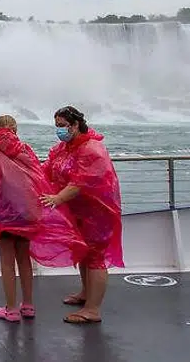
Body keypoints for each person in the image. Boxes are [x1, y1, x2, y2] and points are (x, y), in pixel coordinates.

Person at [0, 115, 88, 322]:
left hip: (0, 212)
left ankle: (11, 310)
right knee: (24, 259)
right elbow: (37, 177)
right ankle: (29, 306)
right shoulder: (25, 149)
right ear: (15, 130)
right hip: (25, 212)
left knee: (7, 262)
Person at [41, 105, 123, 325]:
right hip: (78, 212)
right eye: (57, 126)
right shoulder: (63, 148)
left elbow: (81, 181)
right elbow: (46, 169)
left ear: (76, 124)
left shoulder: (92, 149)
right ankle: (86, 294)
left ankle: (93, 309)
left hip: (97, 213)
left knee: (95, 256)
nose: (59, 130)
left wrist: (57, 198)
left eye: (63, 126)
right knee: (85, 253)